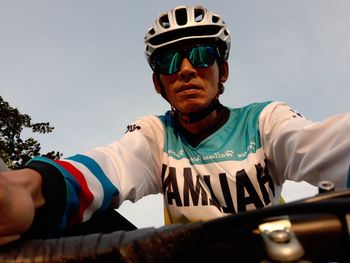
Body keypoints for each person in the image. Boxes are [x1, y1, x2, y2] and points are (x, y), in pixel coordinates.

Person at [0, 4, 350, 246]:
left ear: (222, 71)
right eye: (169, 61)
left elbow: (319, 144)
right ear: (158, 84)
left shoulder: (264, 120)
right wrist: (27, 190)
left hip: (268, 251)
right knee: (82, 218)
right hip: (189, 255)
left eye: (201, 55)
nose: (185, 70)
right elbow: (107, 167)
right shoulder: (156, 135)